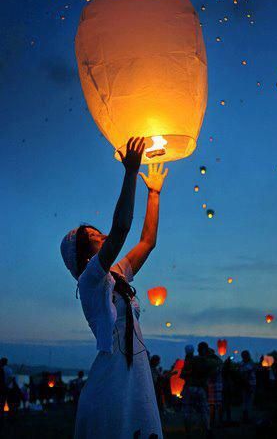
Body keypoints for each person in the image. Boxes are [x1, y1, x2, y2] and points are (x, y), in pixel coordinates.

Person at [60, 137, 168, 439]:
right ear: (85, 254)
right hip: (113, 377)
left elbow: (147, 242)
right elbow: (121, 228)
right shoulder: (90, 280)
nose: (103, 233)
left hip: (137, 371)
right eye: (95, 235)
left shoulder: (116, 275)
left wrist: (155, 193)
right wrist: (130, 172)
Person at [181, 342, 213, 438]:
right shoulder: (205, 361)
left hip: (190, 388)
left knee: (188, 410)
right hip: (200, 388)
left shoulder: (190, 362)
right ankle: (207, 430)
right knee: (204, 410)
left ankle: (188, 432)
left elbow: (183, 375)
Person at [239, 350, 256, 423]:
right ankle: (246, 417)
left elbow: (243, 373)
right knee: (248, 401)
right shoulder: (249, 363)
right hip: (248, 384)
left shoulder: (243, 364)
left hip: (247, 384)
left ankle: (245, 416)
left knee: (246, 400)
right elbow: (246, 373)